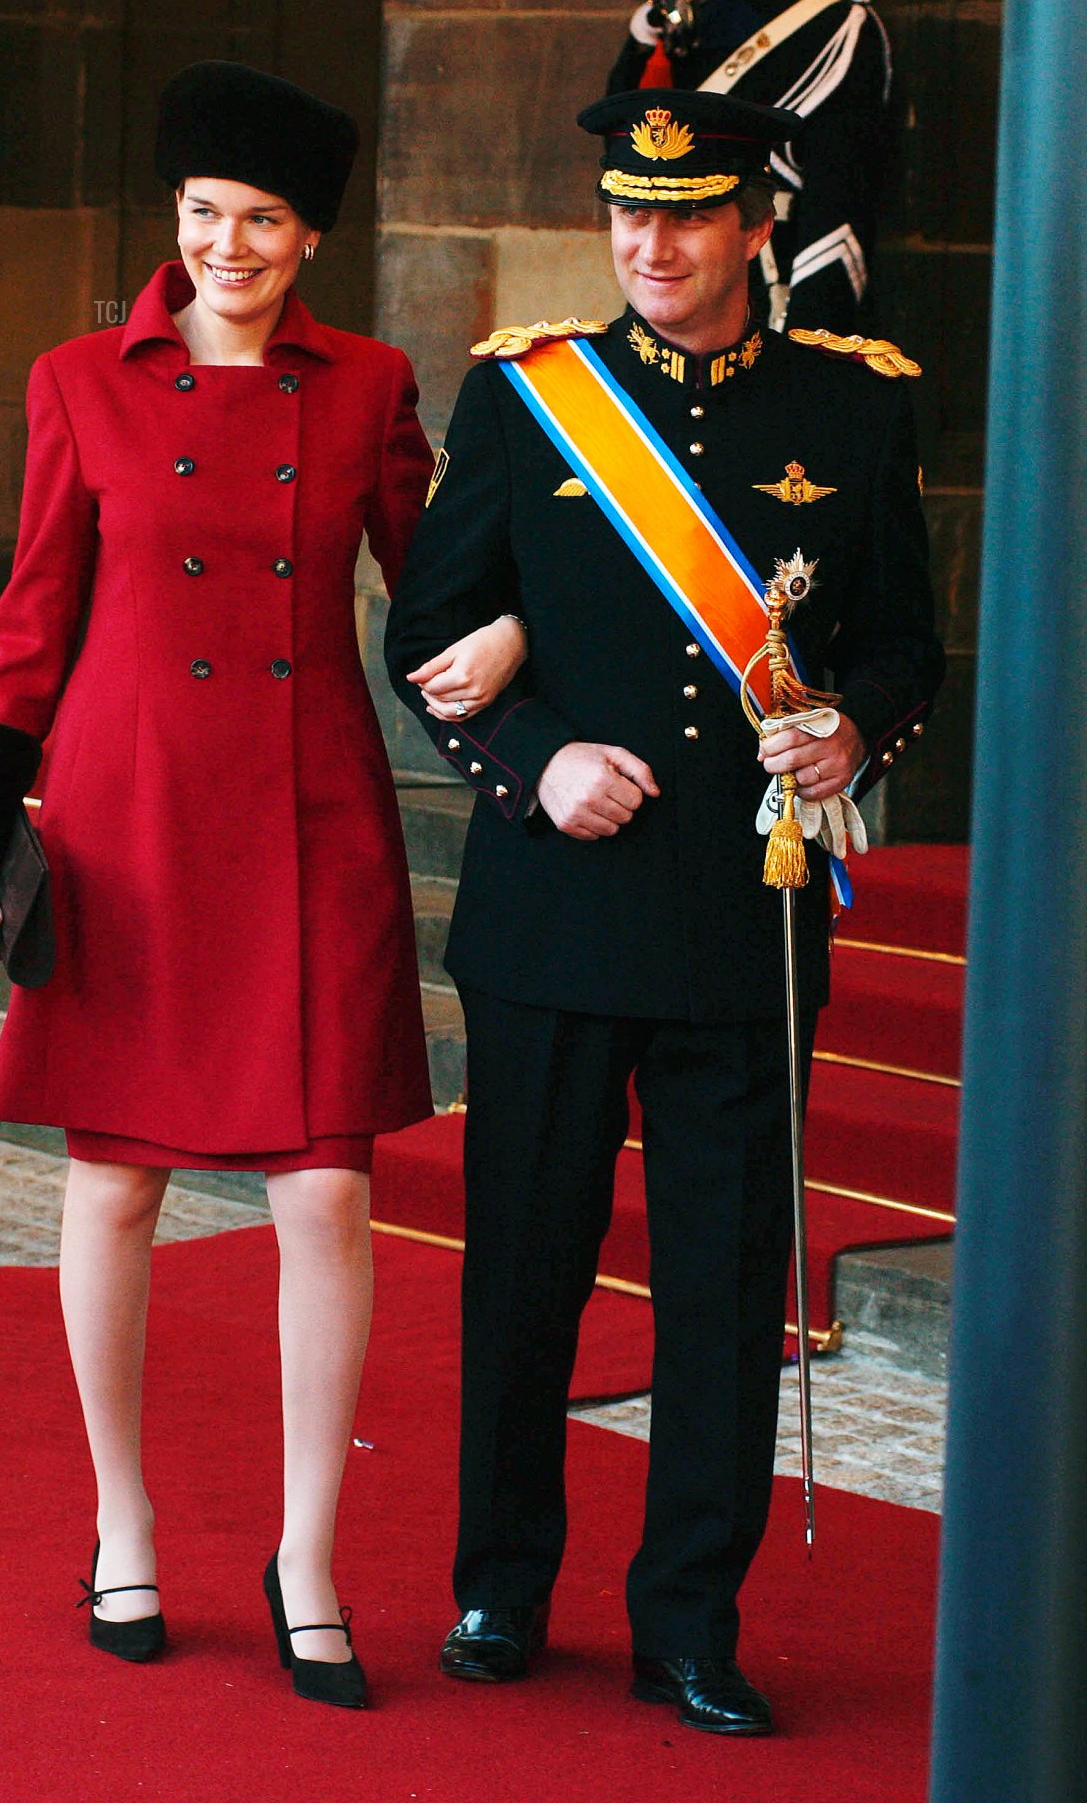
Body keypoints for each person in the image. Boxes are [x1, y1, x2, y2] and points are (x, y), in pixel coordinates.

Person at [0, 61, 525, 1707]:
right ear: (170, 222)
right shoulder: (78, 382)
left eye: (261, 220)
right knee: (113, 1184)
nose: (227, 247)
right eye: (202, 218)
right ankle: (122, 1522)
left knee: (327, 1193)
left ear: (310, 234)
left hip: (308, 818)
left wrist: (523, 666)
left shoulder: (374, 384)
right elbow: (35, 608)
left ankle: (307, 1553)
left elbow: (436, 590)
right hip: (126, 822)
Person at [385, 87, 943, 1735]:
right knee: (527, 1270)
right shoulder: (529, 397)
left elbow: (906, 644)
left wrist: (853, 725)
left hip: (742, 923)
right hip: (556, 906)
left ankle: (690, 1617)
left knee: (719, 1286)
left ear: (757, 225)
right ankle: (501, 1582)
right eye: (629, 212)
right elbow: (430, 626)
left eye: (688, 215)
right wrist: (536, 756)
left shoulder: (849, 416)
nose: (649, 242)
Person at [608, 0, 892, 331]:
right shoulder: (712, 12)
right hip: (673, 274)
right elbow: (633, 147)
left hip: (767, 280)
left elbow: (836, 194)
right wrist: (641, 48)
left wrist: (809, 330)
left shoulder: (838, 21)